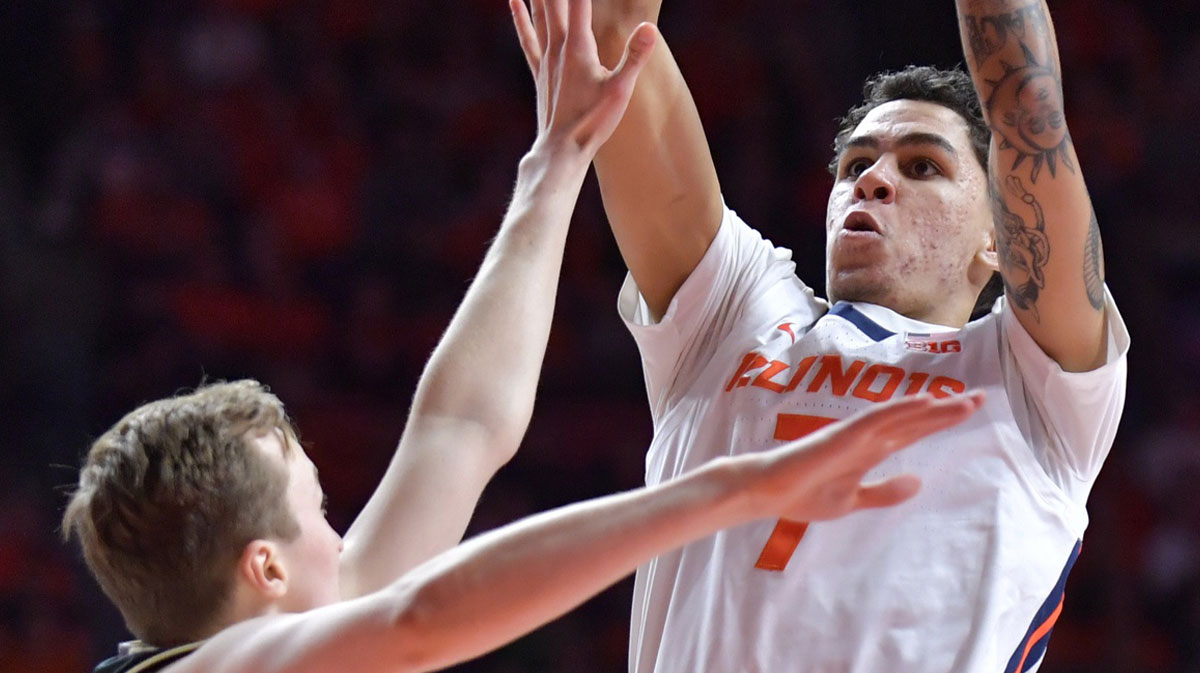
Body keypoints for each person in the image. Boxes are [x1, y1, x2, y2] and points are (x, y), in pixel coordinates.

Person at [60, 2, 984, 672]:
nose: (345, 539)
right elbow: (422, 619)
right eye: (320, 515)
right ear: (263, 568)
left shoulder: (304, 613)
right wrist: (739, 489)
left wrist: (555, 166)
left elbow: (459, 429)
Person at [583, 0, 1130, 671]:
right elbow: (618, 35)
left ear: (998, 237)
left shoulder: (1033, 382)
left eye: (923, 166)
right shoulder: (733, 318)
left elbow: (1026, 105)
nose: (872, 180)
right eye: (853, 166)